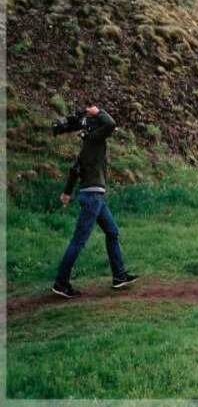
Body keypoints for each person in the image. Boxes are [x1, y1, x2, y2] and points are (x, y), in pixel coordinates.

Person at [52, 105, 138, 298]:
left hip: (93, 196)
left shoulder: (87, 145)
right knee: (78, 241)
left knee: (112, 232)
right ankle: (60, 282)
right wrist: (97, 111)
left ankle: (119, 276)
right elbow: (110, 123)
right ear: (95, 128)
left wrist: (67, 192)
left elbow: (74, 170)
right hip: (92, 197)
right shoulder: (95, 139)